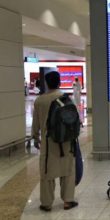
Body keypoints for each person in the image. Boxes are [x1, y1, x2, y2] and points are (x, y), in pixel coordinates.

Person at [32, 71, 78, 212]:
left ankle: (46, 203)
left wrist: (35, 137)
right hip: (66, 141)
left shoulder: (40, 100)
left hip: (48, 142)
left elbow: (36, 123)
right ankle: (67, 201)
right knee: (68, 171)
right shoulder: (66, 98)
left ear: (46, 83)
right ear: (59, 82)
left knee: (47, 172)